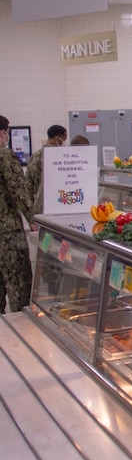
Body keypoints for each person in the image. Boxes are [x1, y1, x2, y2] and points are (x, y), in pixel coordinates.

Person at [0, 115, 35, 313]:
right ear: (3, 133)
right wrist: (32, 219)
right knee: (18, 287)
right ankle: (22, 336)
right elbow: (18, 191)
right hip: (8, 234)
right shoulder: (5, 156)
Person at [26, 124, 67, 215]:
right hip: (56, 205)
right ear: (57, 138)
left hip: (38, 205)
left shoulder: (34, 156)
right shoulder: (59, 157)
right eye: (63, 140)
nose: (64, 143)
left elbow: (28, 184)